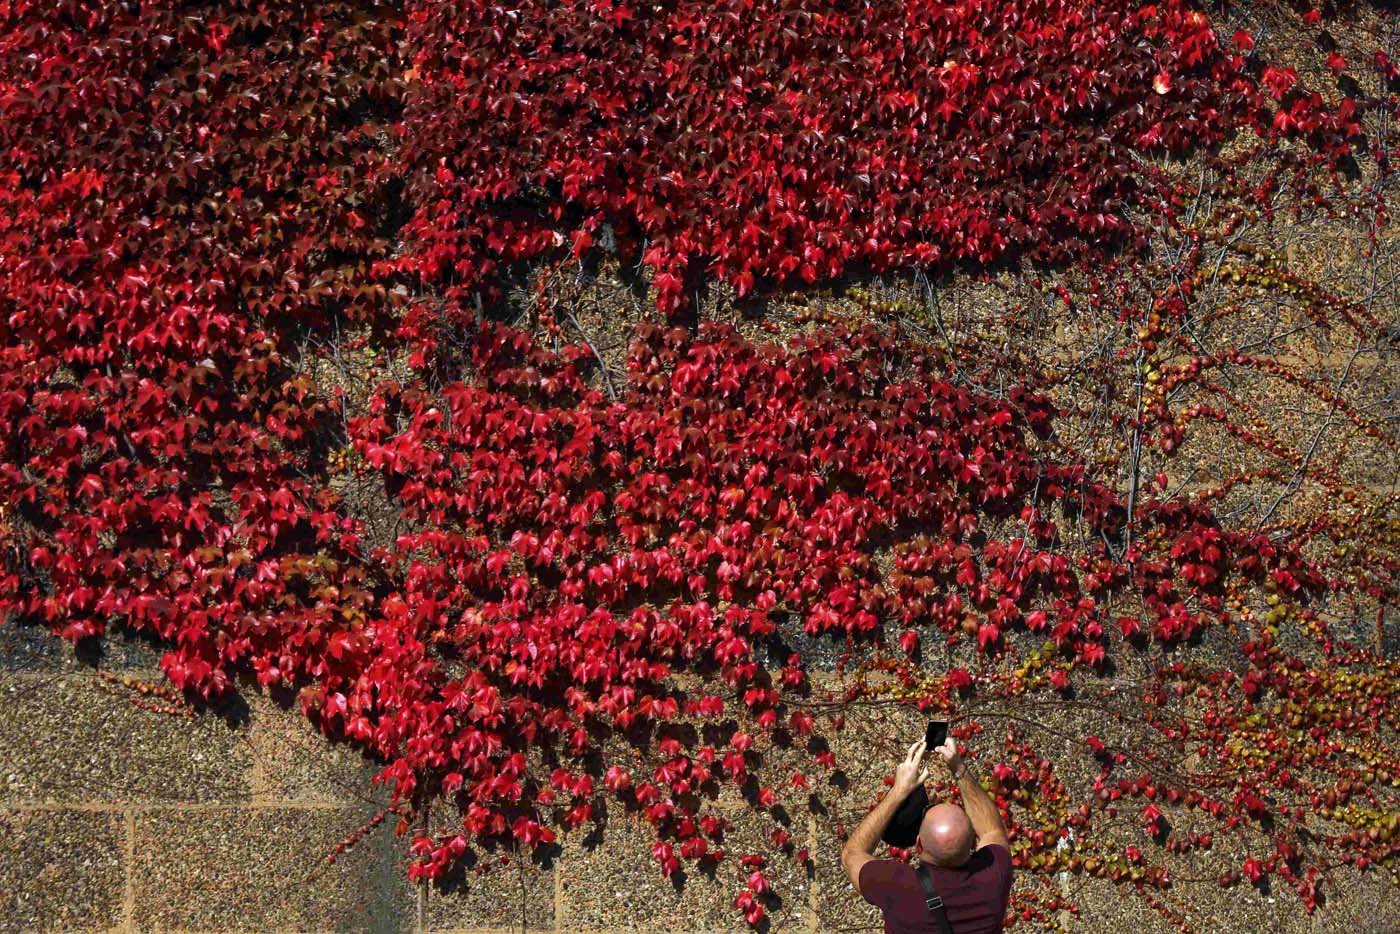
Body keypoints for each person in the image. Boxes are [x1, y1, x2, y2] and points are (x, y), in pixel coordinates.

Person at [840, 734, 1013, 933]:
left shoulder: (898, 887)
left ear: (919, 845)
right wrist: (958, 768)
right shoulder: (993, 877)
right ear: (973, 843)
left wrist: (899, 791)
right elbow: (991, 830)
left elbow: (851, 855)